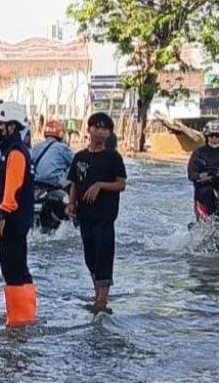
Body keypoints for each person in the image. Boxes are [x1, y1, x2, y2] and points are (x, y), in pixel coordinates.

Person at [66, 112, 127, 314]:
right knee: (90, 257)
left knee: (104, 256)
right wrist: (70, 203)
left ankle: (102, 302)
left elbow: (121, 184)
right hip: (85, 216)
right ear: (89, 129)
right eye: (97, 127)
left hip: (105, 216)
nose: (100, 132)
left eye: (105, 129)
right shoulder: (80, 157)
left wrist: (100, 185)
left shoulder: (113, 157)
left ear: (109, 133)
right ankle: (96, 295)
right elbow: (75, 183)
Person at [0, 101, 37, 328]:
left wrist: (1, 214)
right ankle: (25, 316)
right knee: (19, 269)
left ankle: (19, 321)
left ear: (11, 127)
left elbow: (12, 187)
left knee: (13, 271)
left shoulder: (15, 154)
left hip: (12, 221)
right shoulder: (13, 152)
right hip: (18, 220)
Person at [31, 120, 74, 187]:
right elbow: (75, 162)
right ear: (61, 134)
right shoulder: (62, 147)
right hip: (55, 181)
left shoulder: (37, 146)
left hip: (37, 181)